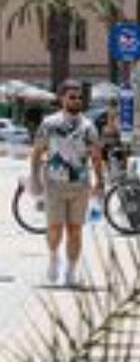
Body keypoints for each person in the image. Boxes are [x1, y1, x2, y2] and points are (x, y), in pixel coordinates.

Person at [30, 81, 104, 287]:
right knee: (54, 228)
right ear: (62, 98)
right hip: (54, 184)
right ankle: (54, 256)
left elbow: (96, 156)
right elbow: (37, 152)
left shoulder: (88, 126)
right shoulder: (49, 124)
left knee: (75, 229)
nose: (76, 101)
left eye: (79, 98)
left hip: (80, 185)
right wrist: (35, 178)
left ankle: (71, 270)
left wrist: (100, 181)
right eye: (72, 97)